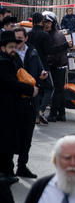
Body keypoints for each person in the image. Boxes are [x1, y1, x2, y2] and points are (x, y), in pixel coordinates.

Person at [0, 30, 37, 177]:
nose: (14, 50)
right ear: (2, 47)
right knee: (5, 141)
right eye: (10, 47)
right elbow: (10, 83)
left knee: (18, 138)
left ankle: (14, 168)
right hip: (5, 108)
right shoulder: (2, 62)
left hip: (17, 106)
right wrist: (30, 89)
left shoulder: (12, 59)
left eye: (15, 46)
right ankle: (6, 172)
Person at [13, 27, 47, 178]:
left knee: (27, 135)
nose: (18, 41)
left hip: (31, 100)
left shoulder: (32, 52)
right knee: (12, 134)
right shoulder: (11, 55)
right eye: (16, 38)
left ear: (26, 38)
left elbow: (40, 71)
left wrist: (42, 77)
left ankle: (22, 166)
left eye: (21, 38)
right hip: (15, 100)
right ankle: (7, 168)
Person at [43, 11, 69, 122]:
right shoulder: (57, 34)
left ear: (53, 23)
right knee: (60, 91)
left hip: (57, 66)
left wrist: (48, 63)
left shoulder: (54, 35)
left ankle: (53, 114)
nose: (46, 24)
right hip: (60, 66)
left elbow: (55, 53)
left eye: (48, 22)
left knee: (56, 91)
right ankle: (62, 114)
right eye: (45, 22)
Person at [27, 12, 52, 124]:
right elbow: (48, 51)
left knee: (35, 89)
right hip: (43, 66)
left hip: (31, 65)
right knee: (49, 88)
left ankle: (36, 115)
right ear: (41, 21)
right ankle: (41, 110)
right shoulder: (44, 35)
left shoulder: (29, 34)